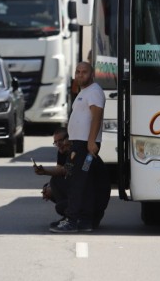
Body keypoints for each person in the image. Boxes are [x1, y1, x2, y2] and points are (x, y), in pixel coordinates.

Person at [49, 61, 107, 233]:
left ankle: (72, 220)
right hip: (78, 145)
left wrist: (91, 142)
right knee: (84, 183)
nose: (80, 75)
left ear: (92, 74)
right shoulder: (84, 92)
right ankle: (85, 221)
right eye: (78, 71)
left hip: (85, 146)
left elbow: (97, 116)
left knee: (77, 183)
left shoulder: (94, 91)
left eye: (84, 72)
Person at [34, 128, 73, 226]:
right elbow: (60, 170)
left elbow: (65, 171)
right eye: (55, 142)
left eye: (61, 141)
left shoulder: (75, 152)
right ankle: (69, 216)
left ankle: (71, 217)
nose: (58, 144)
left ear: (69, 139)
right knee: (50, 186)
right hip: (79, 191)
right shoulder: (62, 152)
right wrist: (49, 187)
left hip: (89, 198)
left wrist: (45, 171)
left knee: (55, 182)